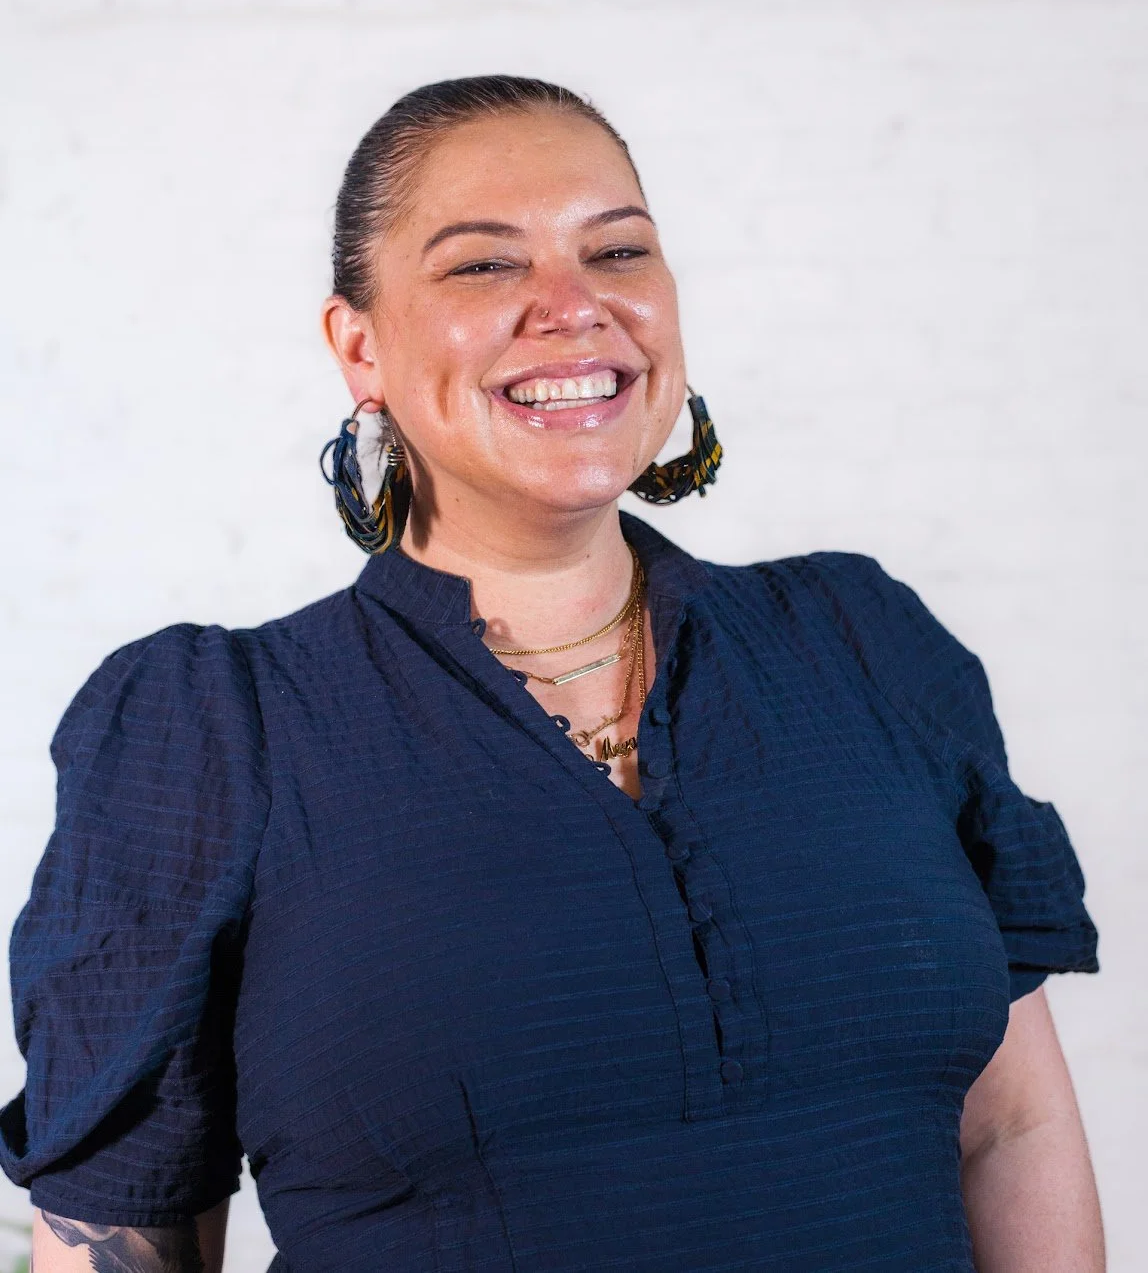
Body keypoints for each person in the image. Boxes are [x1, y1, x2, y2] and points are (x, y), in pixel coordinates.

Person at [1, 76, 1103, 1273]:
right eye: (482, 266)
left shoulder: (860, 644)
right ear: (359, 346)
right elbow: (122, 1238)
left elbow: (1009, 1124)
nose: (573, 308)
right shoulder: (212, 732)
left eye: (616, 249)